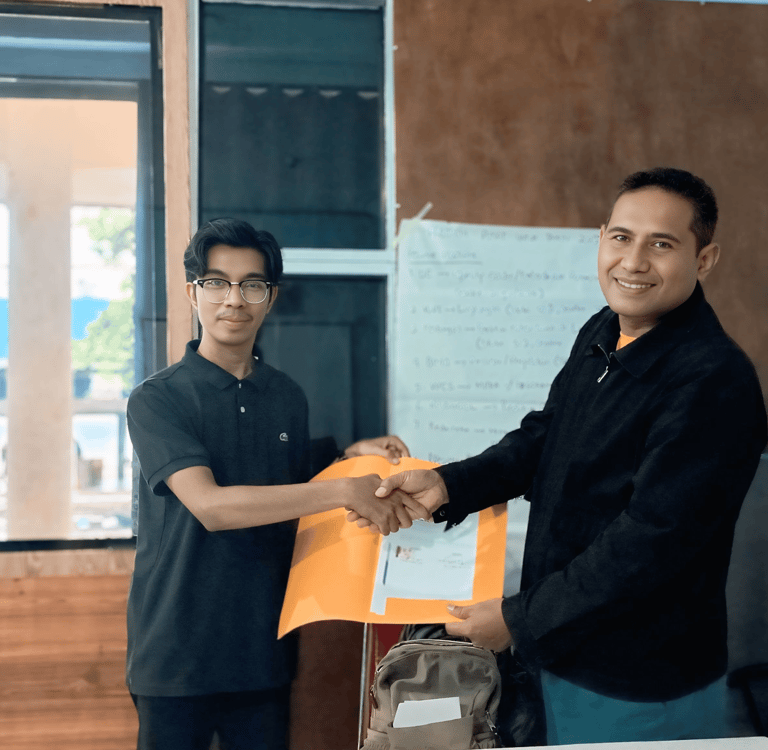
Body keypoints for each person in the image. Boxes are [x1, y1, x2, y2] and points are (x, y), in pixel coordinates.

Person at [372, 168, 768, 744]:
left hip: (638, 682)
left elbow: (651, 541)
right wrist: (450, 484)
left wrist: (517, 619)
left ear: (704, 259)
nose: (633, 262)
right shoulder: (605, 329)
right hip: (562, 654)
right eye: (621, 237)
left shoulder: (714, 381)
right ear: (601, 238)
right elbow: (546, 434)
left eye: (661, 244)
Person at [126, 218, 426, 750]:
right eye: (217, 282)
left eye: (252, 285)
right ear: (193, 293)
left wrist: (350, 458)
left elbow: (285, 481)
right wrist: (343, 490)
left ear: (271, 298)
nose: (234, 299)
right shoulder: (157, 399)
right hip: (175, 653)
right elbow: (213, 506)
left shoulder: (286, 396)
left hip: (263, 650)